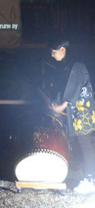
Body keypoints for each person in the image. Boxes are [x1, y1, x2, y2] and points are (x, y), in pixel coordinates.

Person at [50, 40, 95, 194]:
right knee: (77, 141)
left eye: (53, 51)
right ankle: (84, 174)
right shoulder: (64, 66)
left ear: (62, 49)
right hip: (75, 112)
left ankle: (90, 179)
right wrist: (57, 102)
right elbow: (62, 88)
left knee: (85, 142)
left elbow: (74, 86)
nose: (52, 54)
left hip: (84, 110)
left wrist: (62, 105)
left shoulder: (76, 64)